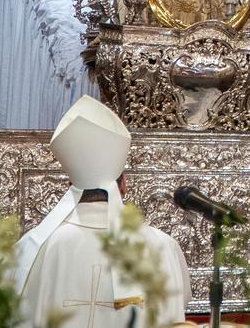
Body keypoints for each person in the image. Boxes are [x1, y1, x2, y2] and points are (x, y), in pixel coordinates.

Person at [13, 96, 191, 326]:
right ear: (124, 184)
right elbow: (179, 305)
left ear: (71, 186)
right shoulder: (163, 246)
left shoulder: (37, 247)